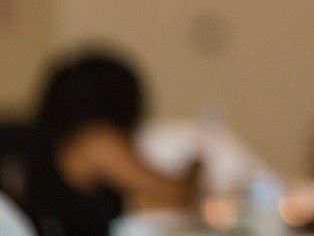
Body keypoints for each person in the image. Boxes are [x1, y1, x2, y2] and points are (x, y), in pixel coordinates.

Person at [20, 49, 198, 236]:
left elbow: (133, 202)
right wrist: (196, 165)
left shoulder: (54, 142)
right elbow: (177, 193)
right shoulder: (97, 141)